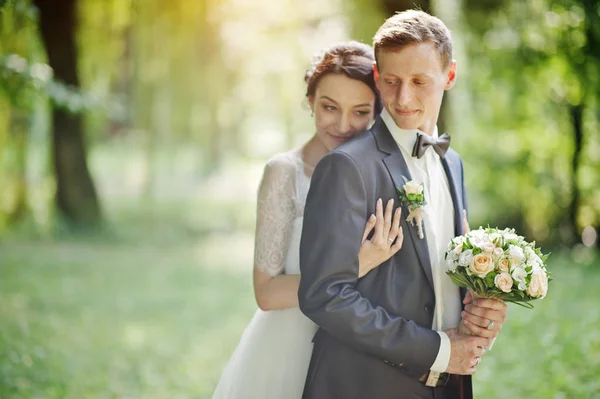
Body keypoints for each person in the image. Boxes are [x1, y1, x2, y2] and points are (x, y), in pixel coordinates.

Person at [298, 10, 508, 399]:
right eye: (391, 82)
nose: (403, 98)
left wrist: (481, 301)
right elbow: (323, 295)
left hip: (449, 386)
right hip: (365, 384)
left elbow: (438, 271)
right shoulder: (345, 167)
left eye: (419, 82)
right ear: (376, 78)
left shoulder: (452, 162)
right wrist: (440, 350)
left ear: (450, 75)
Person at [212, 41, 403, 399]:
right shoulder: (285, 172)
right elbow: (266, 292)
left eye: (361, 112)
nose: (344, 125)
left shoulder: (383, 172)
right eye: (329, 107)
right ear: (310, 101)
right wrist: (354, 265)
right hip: (292, 343)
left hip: (361, 345)